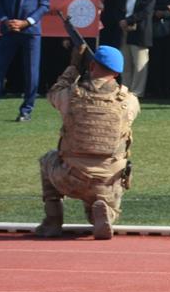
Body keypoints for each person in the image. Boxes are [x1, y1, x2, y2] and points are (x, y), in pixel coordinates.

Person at [33, 43, 139, 239]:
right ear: (116, 73)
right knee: (110, 176)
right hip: (108, 181)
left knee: (47, 159)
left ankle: (53, 220)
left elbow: (53, 92)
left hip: (69, 177)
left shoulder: (70, 96)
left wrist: (73, 65)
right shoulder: (129, 101)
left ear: (91, 66)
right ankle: (104, 210)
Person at [117, 0, 157, 98]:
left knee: (140, 64)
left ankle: (136, 93)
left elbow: (145, 13)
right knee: (125, 64)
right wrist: (122, 21)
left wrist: (128, 20)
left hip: (140, 32)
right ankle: (125, 90)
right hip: (124, 32)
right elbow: (119, 10)